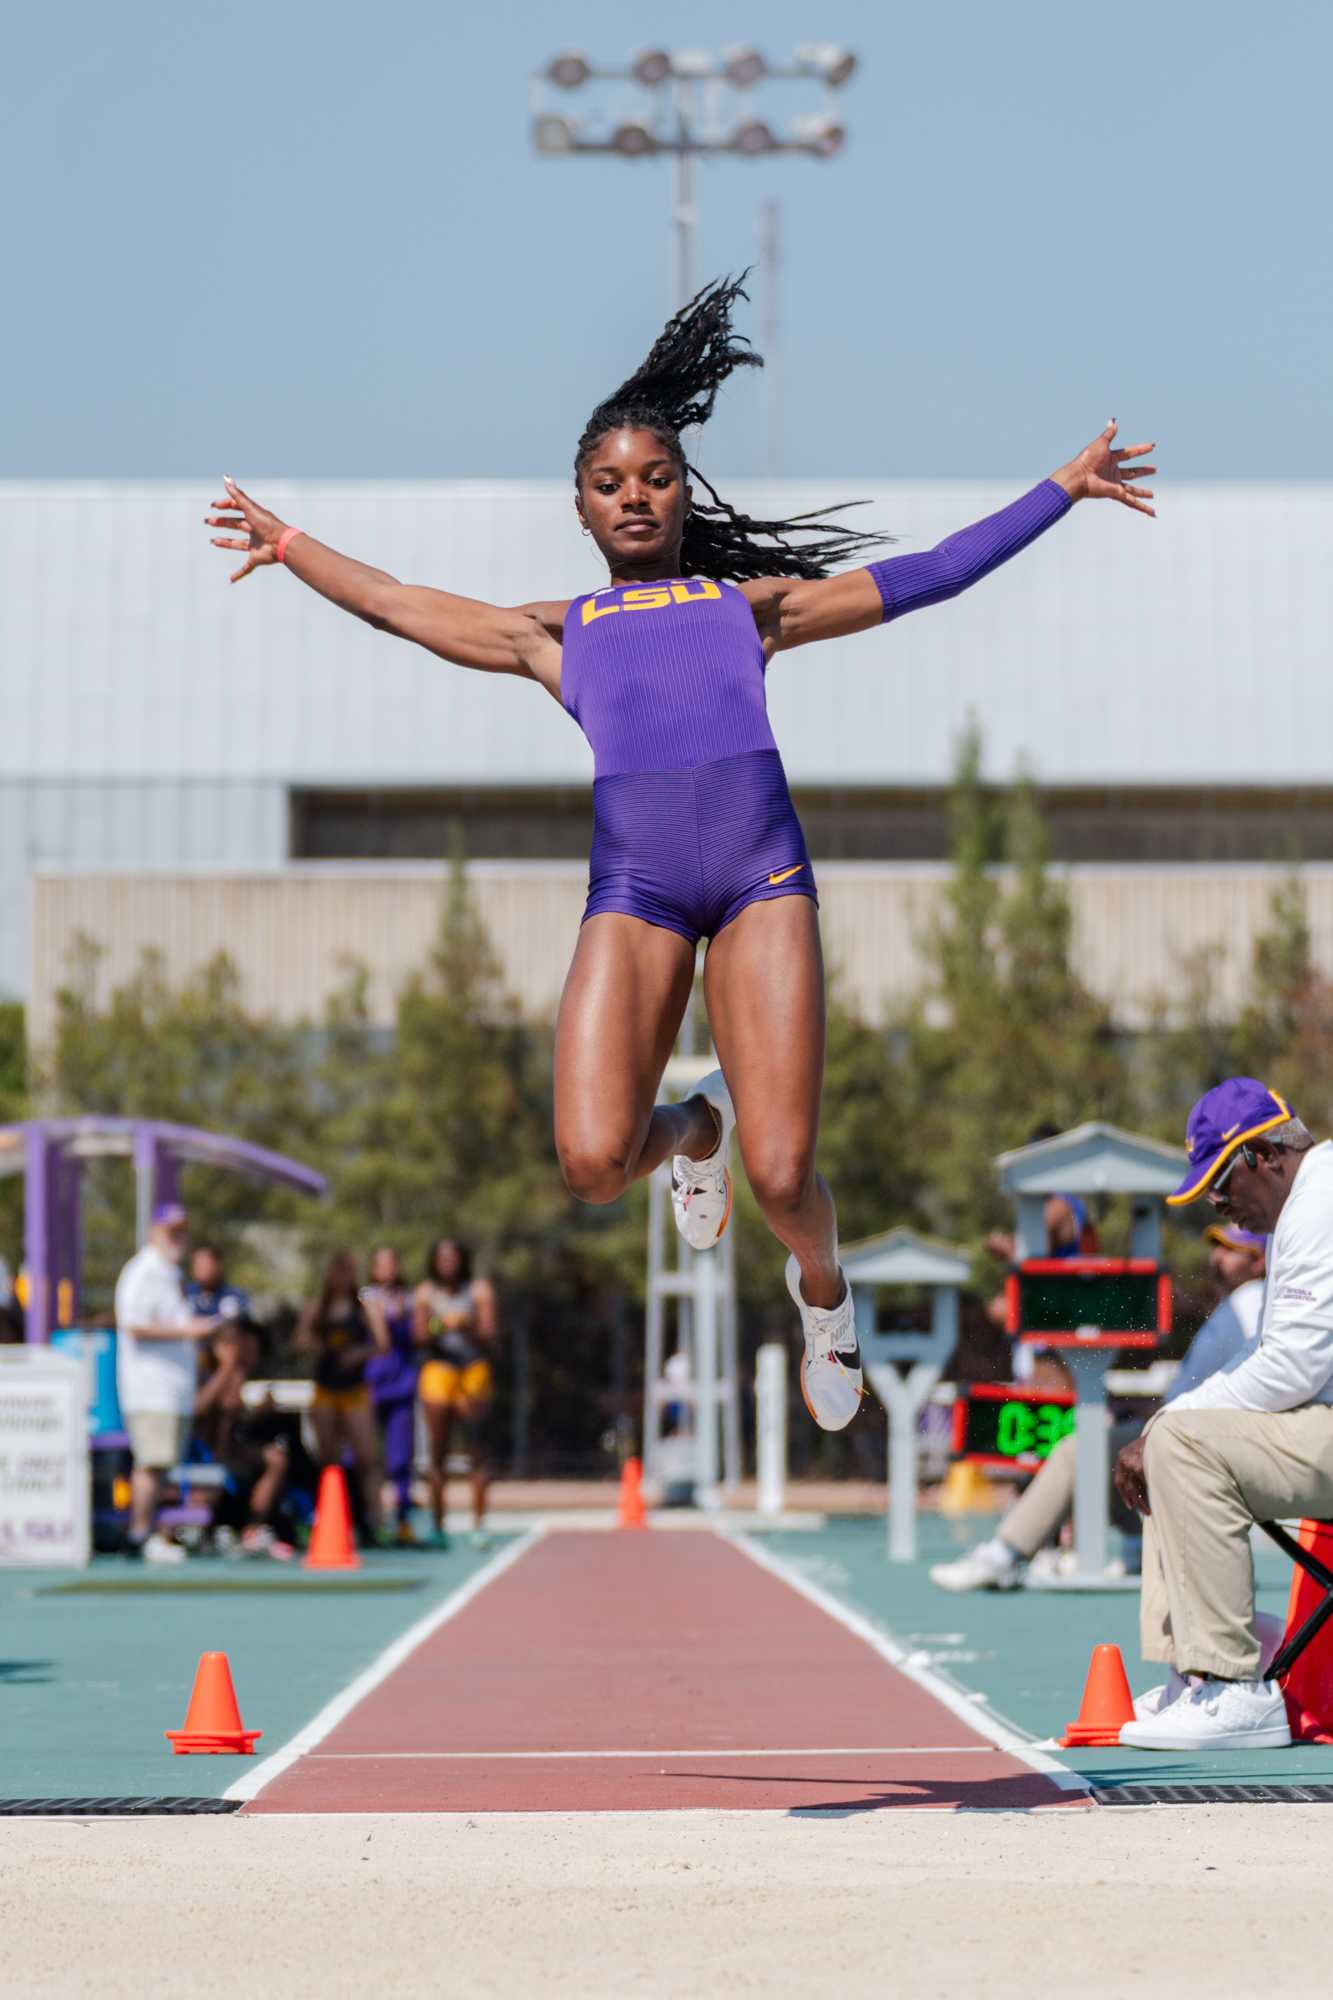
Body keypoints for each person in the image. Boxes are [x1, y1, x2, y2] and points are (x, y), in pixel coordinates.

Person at [206, 278, 1155, 1433]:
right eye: (610, 484)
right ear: (583, 508)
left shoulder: (747, 606)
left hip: (761, 879)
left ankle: (823, 1293)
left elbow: (930, 573)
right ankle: (692, 1125)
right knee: (594, 1158)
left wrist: (1062, 486)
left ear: (680, 489)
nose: (636, 496)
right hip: (638, 891)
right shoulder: (553, 634)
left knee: (784, 1181)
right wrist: (291, 541)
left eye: (654, 477)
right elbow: (398, 604)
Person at [1115, 1079, 1333, 1751]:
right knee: (1174, 1439)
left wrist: (1167, 1422)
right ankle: (1200, 1668)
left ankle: (1232, 1683)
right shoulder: (1310, 1196)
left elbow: (1293, 1368)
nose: (1215, 1201)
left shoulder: (1318, 1202)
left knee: (1177, 1441)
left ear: (1264, 1155)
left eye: (1219, 1179)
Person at [932, 1221, 1267, 1591]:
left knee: (1083, 1449)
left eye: (1232, 1250)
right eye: (1217, 1246)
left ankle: (1005, 1554)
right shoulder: (1248, 1303)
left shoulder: (1252, 1302)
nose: (1217, 1257)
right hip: (1198, 1435)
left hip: (1206, 1443)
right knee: (1111, 1449)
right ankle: (1138, 1543)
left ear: (1260, 1261)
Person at [113, 1202, 226, 1563]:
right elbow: (134, 1325)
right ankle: (140, 1534)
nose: (178, 1238)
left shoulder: (169, 1273)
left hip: (172, 1390)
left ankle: (151, 1533)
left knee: (163, 1463)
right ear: (153, 1232)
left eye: (182, 1230)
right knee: (151, 1462)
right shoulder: (143, 1271)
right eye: (170, 1230)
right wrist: (186, 1330)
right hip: (150, 1388)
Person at [414, 1239, 497, 1549]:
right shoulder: (425, 1292)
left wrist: (466, 1324)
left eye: (453, 1256)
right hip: (439, 1372)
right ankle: (438, 1525)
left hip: (472, 1372)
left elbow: (489, 1333)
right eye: (441, 1257)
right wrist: (439, 1324)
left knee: (477, 1450)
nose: (447, 1262)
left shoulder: (478, 1290)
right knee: (438, 1452)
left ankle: (479, 1525)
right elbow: (419, 1335)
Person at [296, 1251, 381, 1540]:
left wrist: (358, 1354)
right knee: (328, 1458)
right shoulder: (318, 1307)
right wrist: (314, 1343)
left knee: (367, 1458)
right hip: (326, 1388)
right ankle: (328, 1518)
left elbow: (382, 1342)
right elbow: (300, 1339)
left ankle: (375, 1520)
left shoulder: (364, 1306)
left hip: (354, 1390)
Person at [362, 1245, 420, 1546]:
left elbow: (422, 1334)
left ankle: (403, 1521)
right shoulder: (363, 1298)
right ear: (373, 1268)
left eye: (392, 1263)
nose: (388, 1269)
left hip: (402, 1384)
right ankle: (365, 1519)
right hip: (370, 1383)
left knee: (400, 1457)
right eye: (381, 1264)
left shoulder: (410, 1299)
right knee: (362, 1455)